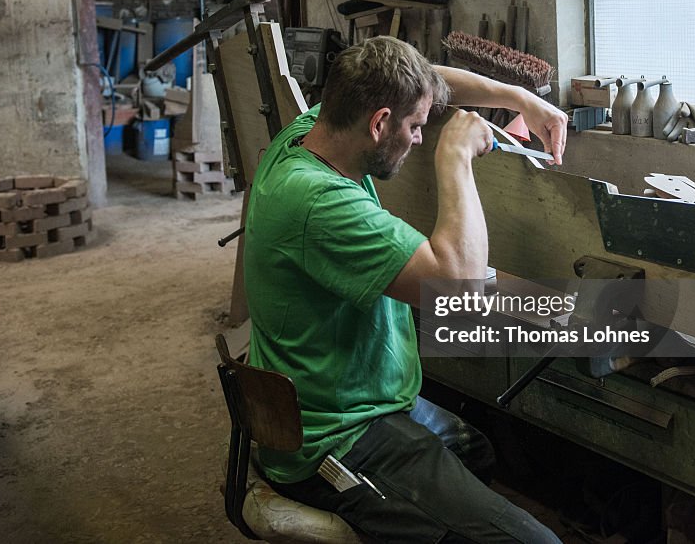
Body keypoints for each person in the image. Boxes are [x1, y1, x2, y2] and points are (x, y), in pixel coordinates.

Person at [242, 36, 567, 543]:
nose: (419, 137)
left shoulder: (314, 131)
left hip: (355, 395)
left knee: (474, 450)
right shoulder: (316, 202)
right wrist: (454, 156)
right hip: (334, 437)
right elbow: (457, 285)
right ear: (379, 122)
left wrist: (520, 99)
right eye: (415, 126)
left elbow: (425, 78)